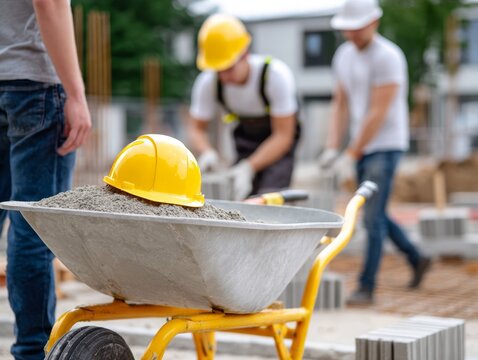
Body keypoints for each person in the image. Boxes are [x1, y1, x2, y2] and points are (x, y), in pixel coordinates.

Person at [319, 0, 431, 305]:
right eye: (348, 30)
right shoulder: (343, 56)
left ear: (374, 22)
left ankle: (366, 287)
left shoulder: (388, 57)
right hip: (362, 146)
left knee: (370, 218)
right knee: (375, 213)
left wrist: (351, 153)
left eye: (357, 28)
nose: (352, 35)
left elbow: (377, 112)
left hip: (386, 145)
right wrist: (332, 146)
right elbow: (341, 104)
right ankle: (416, 256)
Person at [0, 0, 91, 358]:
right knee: (34, 227)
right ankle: (32, 352)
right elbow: (49, 3)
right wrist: (76, 94)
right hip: (32, 83)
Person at [188, 14, 301, 201]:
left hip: (278, 144)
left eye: (229, 68)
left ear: (245, 54)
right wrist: (207, 152)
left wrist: (249, 167)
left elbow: (283, 136)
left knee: (269, 198)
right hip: (246, 142)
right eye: (219, 70)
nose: (224, 77)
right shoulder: (208, 83)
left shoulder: (274, 76)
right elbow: (197, 128)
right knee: (242, 201)